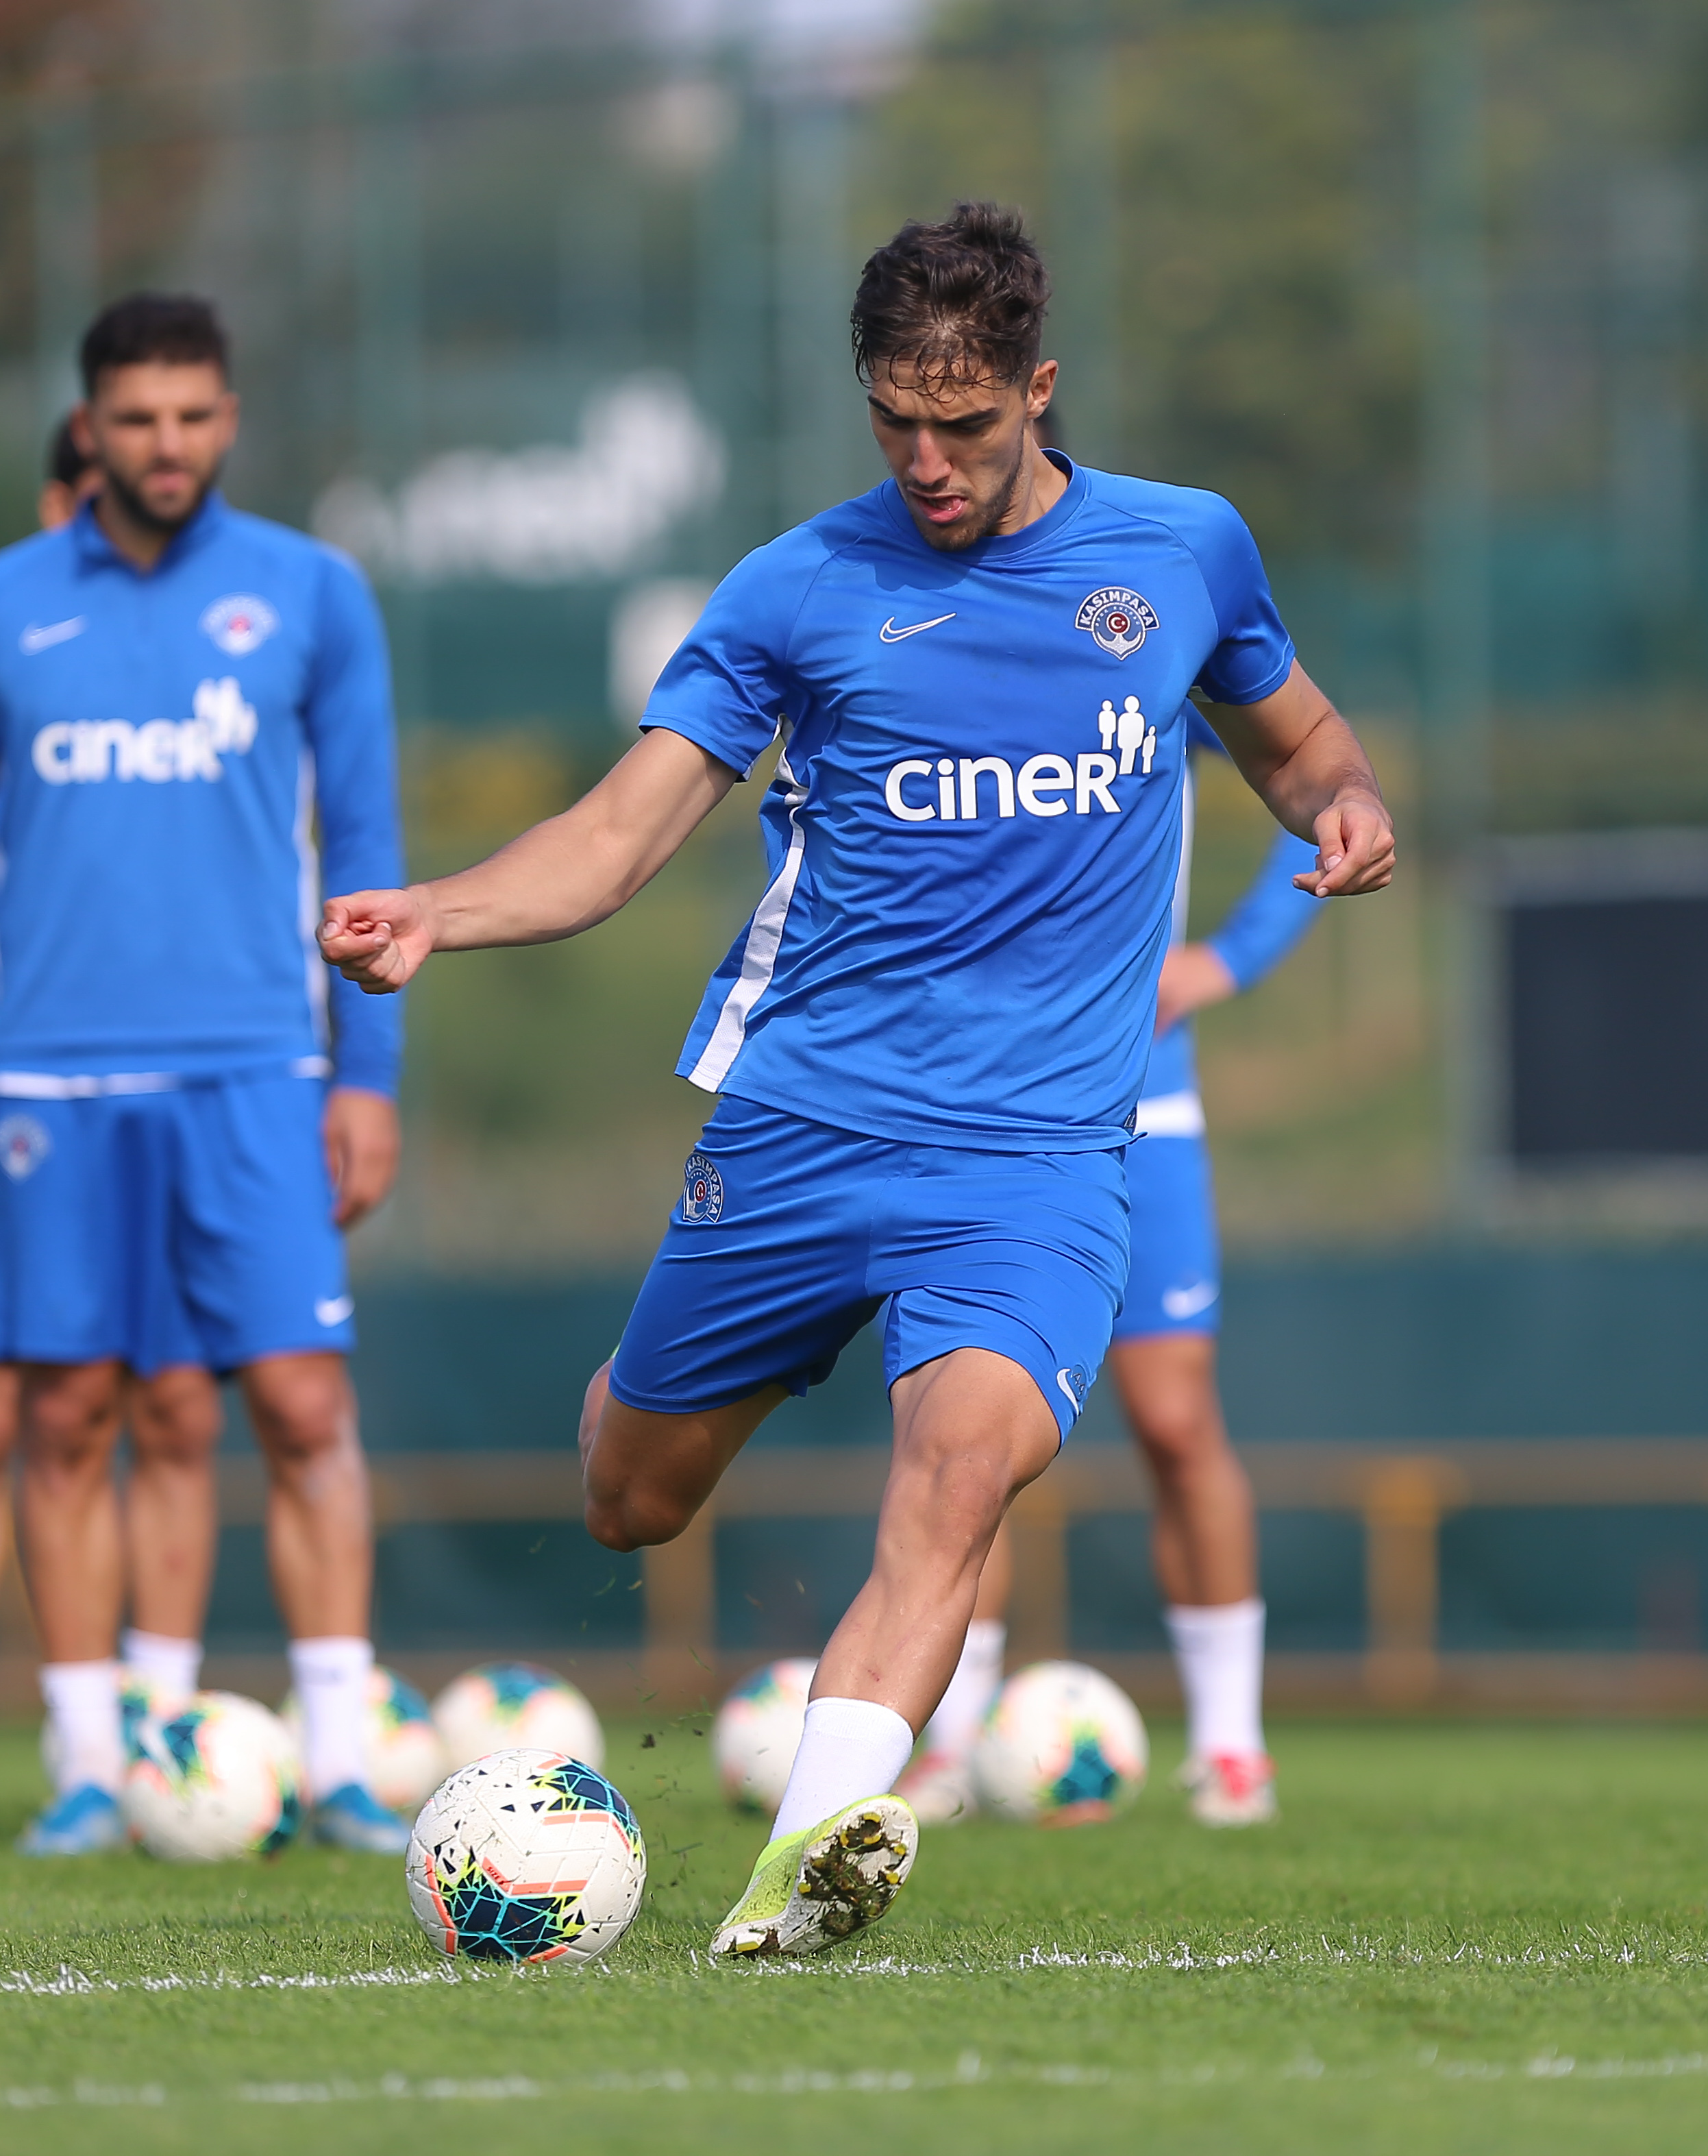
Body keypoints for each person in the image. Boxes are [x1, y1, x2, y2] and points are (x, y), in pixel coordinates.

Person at [319, 203, 1394, 1955]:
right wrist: (439, 911)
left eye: (961, 422)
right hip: (803, 1125)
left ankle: (799, 1871)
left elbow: (1299, 738)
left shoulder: (1183, 552)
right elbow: (618, 837)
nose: (926, 460)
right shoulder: (798, 587)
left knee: (957, 1473)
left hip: (1036, 1156)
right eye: (894, 419)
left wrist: (1342, 804)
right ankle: (648, 1400)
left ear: (1037, 389)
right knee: (629, 1501)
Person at [0, 293, 410, 1856]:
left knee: (302, 1403)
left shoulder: (312, 592)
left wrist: (366, 1071)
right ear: (89, 427)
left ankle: (342, 1756)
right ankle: (91, 1763)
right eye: (137, 417)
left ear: (228, 419)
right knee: (65, 1418)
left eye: (192, 414)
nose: (166, 443)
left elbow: (367, 842)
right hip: (52, 1089)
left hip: (258, 1072)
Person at [0, 421, 228, 1837]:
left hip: (183, 1103)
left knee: (177, 1405)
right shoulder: (2, 654)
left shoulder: (208, 654)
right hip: (34, 1103)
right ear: (57, 501)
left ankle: (156, 1727)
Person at [902, 811, 1322, 1829]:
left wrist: (1231, 957)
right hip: (977, 1105)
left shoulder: (1162, 692)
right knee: (962, 1433)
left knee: (1176, 1424)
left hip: (1142, 1097)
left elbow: (1324, 788)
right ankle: (949, 1743)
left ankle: (1230, 1746)